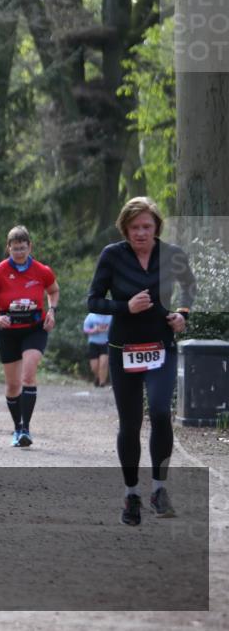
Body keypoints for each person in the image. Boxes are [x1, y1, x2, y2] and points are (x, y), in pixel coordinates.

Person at [87, 197, 195, 526]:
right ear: (125, 228)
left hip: (161, 345)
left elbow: (189, 288)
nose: (141, 233)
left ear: (156, 227)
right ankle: (131, 493)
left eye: (147, 226)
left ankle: (159, 489)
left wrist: (183, 315)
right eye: (135, 227)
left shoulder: (172, 254)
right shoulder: (112, 256)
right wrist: (124, 306)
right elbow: (93, 301)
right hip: (124, 348)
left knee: (161, 412)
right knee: (130, 424)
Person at [0, 226, 60, 448]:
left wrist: (52, 311)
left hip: (35, 328)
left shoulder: (42, 270)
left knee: (29, 375)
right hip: (8, 332)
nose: (19, 253)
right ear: (8, 248)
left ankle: (26, 428)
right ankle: (17, 427)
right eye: (15, 249)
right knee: (13, 385)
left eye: (23, 248)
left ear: (30, 246)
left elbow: (53, 291)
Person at [83, 312, 112, 387]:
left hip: (106, 343)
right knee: (94, 367)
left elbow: (116, 328)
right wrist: (95, 330)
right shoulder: (91, 316)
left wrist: (109, 328)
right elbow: (85, 330)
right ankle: (98, 377)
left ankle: (102, 383)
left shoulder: (110, 316)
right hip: (93, 343)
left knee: (103, 363)